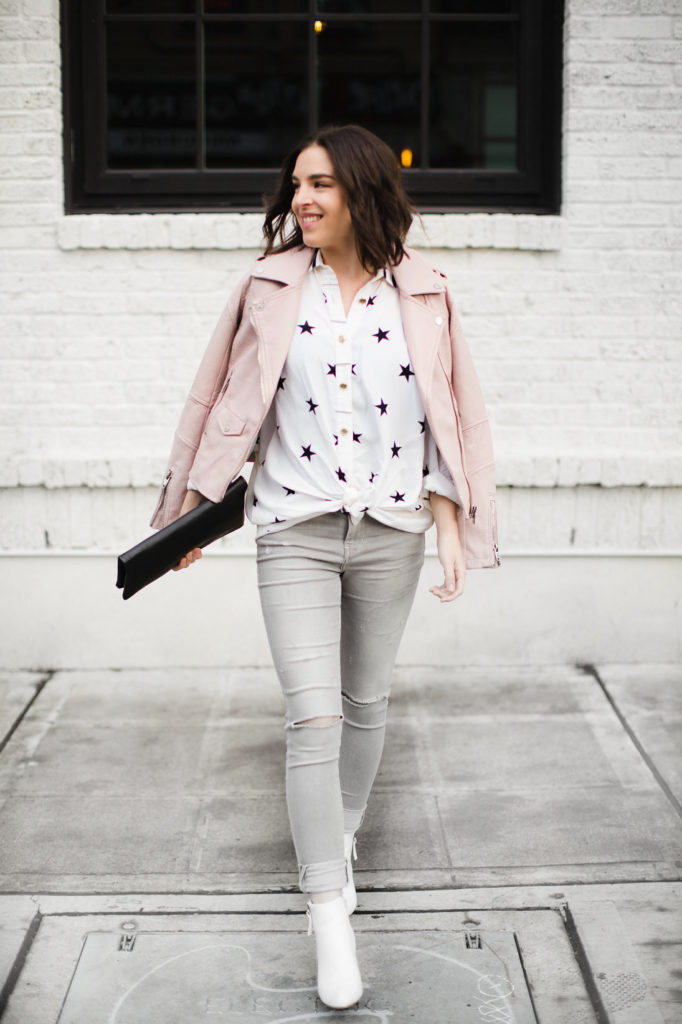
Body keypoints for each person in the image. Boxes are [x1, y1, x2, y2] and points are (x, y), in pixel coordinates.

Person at [151, 124, 498, 1010]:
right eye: (296, 184)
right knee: (312, 720)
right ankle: (329, 909)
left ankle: (339, 836)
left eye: (321, 186)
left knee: (364, 703)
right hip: (293, 525)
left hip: (391, 527)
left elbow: (451, 413)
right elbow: (216, 405)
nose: (302, 199)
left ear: (364, 192)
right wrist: (185, 518)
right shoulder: (269, 286)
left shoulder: (424, 290)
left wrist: (453, 527)